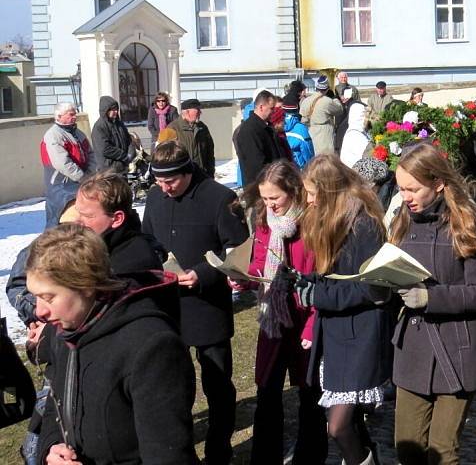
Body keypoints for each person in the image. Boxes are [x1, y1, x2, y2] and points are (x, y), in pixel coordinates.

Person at [28, 224, 198, 465]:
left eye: (48, 297)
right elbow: (55, 405)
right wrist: (51, 447)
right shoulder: (64, 331)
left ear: (86, 286)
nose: (39, 311)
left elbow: (167, 455)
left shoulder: (151, 346)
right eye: (35, 296)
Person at [389, 143, 476, 465]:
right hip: (412, 350)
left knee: (442, 452)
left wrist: (430, 297)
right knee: (407, 448)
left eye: (413, 189)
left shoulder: (468, 222)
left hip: (458, 349)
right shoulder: (402, 219)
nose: (406, 197)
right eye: (400, 189)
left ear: (438, 183)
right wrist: (379, 286)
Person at [142, 142, 249, 463]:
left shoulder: (220, 198)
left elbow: (239, 250)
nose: (164, 188)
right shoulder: (154, 197)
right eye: (159, 182)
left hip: (207, 306)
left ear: (187, 171)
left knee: (216, 383)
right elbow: (148, 239)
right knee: (174, 384)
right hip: (167, 306)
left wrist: (202, 274)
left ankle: (219, 450)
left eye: (170, 181)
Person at [296, 155, 393, 465]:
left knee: (337, 427)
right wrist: (304, 282)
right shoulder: (329, 218)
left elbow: (373, 287)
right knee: (346, 424)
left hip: (361, 333)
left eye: (313, 193)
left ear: (331, 190)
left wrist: (319, 294)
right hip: (336, 334)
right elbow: (332, 276)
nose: (308, 200)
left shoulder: (365, 224)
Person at [234, 161, 328, 464]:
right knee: (267, 391)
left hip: (304, 317)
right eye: (264, 197)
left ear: (294, 191)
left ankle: (310, 454)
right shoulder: (265, 220)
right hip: (273, 317)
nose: (269, 204)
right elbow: (260, 261)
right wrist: (244, 276)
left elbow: (321, 274)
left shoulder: (313, 221)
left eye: (275, 198)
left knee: (309, 393)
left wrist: (312, 325)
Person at [41, 102, 96, 229]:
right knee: (57, 220)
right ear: (59, 116)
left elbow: (90, 153)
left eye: (75, 114)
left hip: (79, 182)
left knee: (78, 219)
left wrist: (90, 173)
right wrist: (83, 177)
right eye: (71, 114)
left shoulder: (78, 133)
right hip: (60, 185)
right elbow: (62, 163)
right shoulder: (53, 135)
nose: (74, 117)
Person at [235, 90, 284, 187]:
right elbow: (256, 166)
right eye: (271, 108)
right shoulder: (249, 130)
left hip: (274, 184)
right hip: (260, 189)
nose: (274, 112)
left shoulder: (267, 126)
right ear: (261, 107)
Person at [167, 98, 216, 178]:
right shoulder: (172, 129)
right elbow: (166, 157)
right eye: (197, 110)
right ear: (187, 112)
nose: (200, 112)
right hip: (183, 179)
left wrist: (210, 173)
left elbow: (210, 153)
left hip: (202, 176)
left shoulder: (202, 127)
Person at [300, 76, 345, 155]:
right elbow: (339, 109)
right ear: (327, 89)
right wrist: (335, 98)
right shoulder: (327, 101)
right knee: (326, 159)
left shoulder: (306, 100)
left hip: (309, 131)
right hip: (324, 133)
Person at [91, 95, 132, 174]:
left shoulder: (119, 124)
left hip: (121, 166)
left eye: (116, 109)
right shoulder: (99, 127)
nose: (116, 112)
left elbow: (128, 140)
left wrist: (131, 153)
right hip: (108, 169)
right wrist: (124, 156)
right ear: (105, 110)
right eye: (112, 110)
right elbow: (105, 149)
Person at [283, 102, 315, 168]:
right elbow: (308, 150)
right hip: (299, 168)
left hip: (283, 168)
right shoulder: (301, 128)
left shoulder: (277, 125)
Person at [341, 102, 371, 167]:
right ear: (360, 116)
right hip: (354, 172)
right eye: (365, 115)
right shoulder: (355, 134)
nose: (367, 119)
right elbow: (368, 152)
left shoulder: (355, 130)